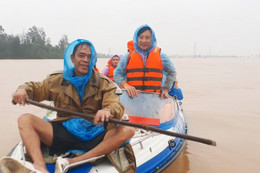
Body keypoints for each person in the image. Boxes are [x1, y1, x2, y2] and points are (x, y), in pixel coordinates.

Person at [9, 39, 136, 173]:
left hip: (95, 132)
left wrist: (107, 110)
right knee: (25, 119)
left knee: (128, 130)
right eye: (81, 55)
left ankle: (70, 162)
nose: (85, 60)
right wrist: (23, 90)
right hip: (64, 131)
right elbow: (36, 88)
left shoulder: (104, 83)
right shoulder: (56, 79)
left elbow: (115, 103)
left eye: (89, 56)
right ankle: (39, 167)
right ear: (72, 58)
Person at [114, 24, 177, 98]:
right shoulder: (128, 56)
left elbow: (171, 72)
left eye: (147, 38)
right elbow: (117, 73)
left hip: (154, 100)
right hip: (132, 99)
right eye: (141, 37)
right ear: (136, 39)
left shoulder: (161, 56)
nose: (144, 40)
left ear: (152, 39)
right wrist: (125, 85)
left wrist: (166, 89)